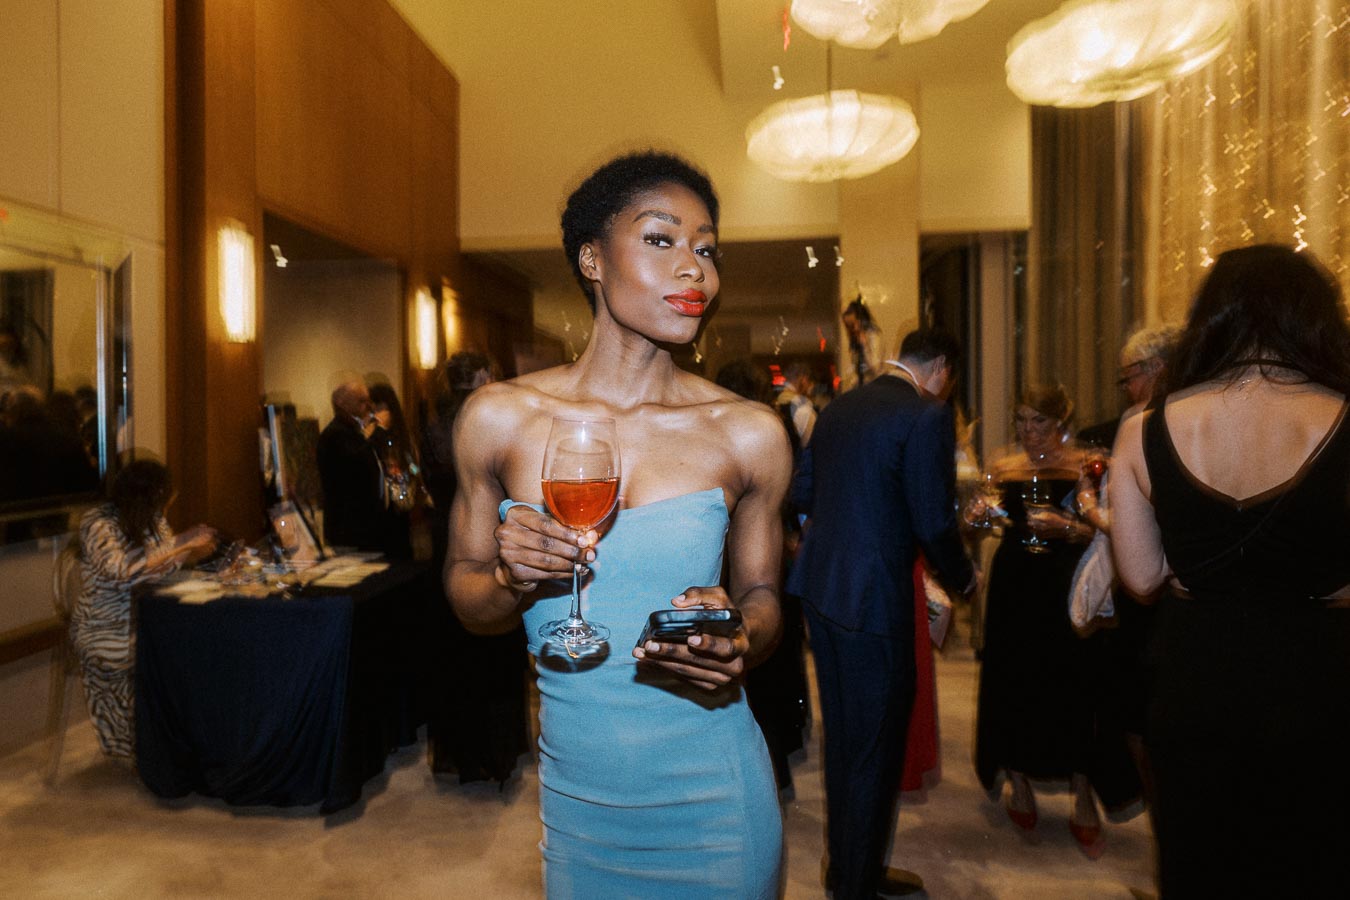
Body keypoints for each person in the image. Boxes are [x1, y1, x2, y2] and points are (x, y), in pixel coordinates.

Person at [447, 151, 790, 897]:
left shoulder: (747, 433)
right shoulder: (499, 419)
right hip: (581, 807)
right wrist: (510, 578)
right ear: (592, 259)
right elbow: (467, 597)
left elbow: (764, 597)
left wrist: (740, 633)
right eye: (662, 240)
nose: (693, 268)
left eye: (706, 249)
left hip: (717, 797)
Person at [1109, 244, 1350, 896]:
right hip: (1318, 678)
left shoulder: (1142, 429)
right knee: (1312, 860)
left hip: (1195, 676)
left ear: (1211, 318)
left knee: (1201, 863)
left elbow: (1139, 576)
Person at [788, 328, 976, 899]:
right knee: (875, 747)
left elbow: (802, 493)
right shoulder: (925, 416)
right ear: (942, 367)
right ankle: (855, 884)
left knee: (845, 740)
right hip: (874, 599)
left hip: (822, 589)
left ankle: (848, 868)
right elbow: (933, 521)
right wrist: (965, 577)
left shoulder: (839, 407)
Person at [972, 384, 1141, 859]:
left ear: (1061, 422)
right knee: (1015, 678)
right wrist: (980, 515)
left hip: (1064, 581)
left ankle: (1083, 792)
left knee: (1076, 682)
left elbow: (1106, 526)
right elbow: (991, 522)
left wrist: (1068, 527)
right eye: (1022, 421)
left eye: (1038, 422)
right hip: (1015, 582)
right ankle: (1019, 783)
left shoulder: (1087, 462)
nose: (1028, 432)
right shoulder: (1004, 464)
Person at [421, 351, 530, 784]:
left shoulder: (435, 425)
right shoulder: (488, 422)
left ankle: (465, 752)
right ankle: (496, 752)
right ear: (482, 375)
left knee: (455, 655)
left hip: (445, 547)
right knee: (491, 649)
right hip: (485, 545)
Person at [72, 460, 217, 758]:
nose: (164, 511)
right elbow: (123, 570)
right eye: (162, 503)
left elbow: (159, 564)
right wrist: (181, 544)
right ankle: (158, 747)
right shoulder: (99, 524)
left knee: (204, 648)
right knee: (175, 656)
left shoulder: (151, 519)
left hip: (150, 618)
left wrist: (189, 552)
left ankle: (184, 743)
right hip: (105, 624)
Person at [317, 378, 389, 553]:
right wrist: (379, 431)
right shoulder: (335, 434)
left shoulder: (353, 431)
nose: (368, 407)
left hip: (364, 526)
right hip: (349, 528)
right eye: (361, 401)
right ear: (341, 403)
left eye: (368, 401)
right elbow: (359, 462)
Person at [367, 381, 416, 560]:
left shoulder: (401, 434)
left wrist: (410, 472)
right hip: (381, 506)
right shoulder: (371, 433)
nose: (377, 413)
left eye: (380, 407)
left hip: (400, 501)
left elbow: (413, 465)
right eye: (373, 408)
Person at [841, 297, 884, 392]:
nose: (851, 330)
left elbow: (875, 368)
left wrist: (864, 346)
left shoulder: (873, 336)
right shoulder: (854, 341)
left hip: (873, 389)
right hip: (861, 389)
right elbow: (854, 370)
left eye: (852, 325)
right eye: (848, 326)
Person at [774, 361, 817, 448]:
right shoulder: (803, 408)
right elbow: (812, 447)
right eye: (809, 381)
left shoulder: (775, 402)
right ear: (804, 379)